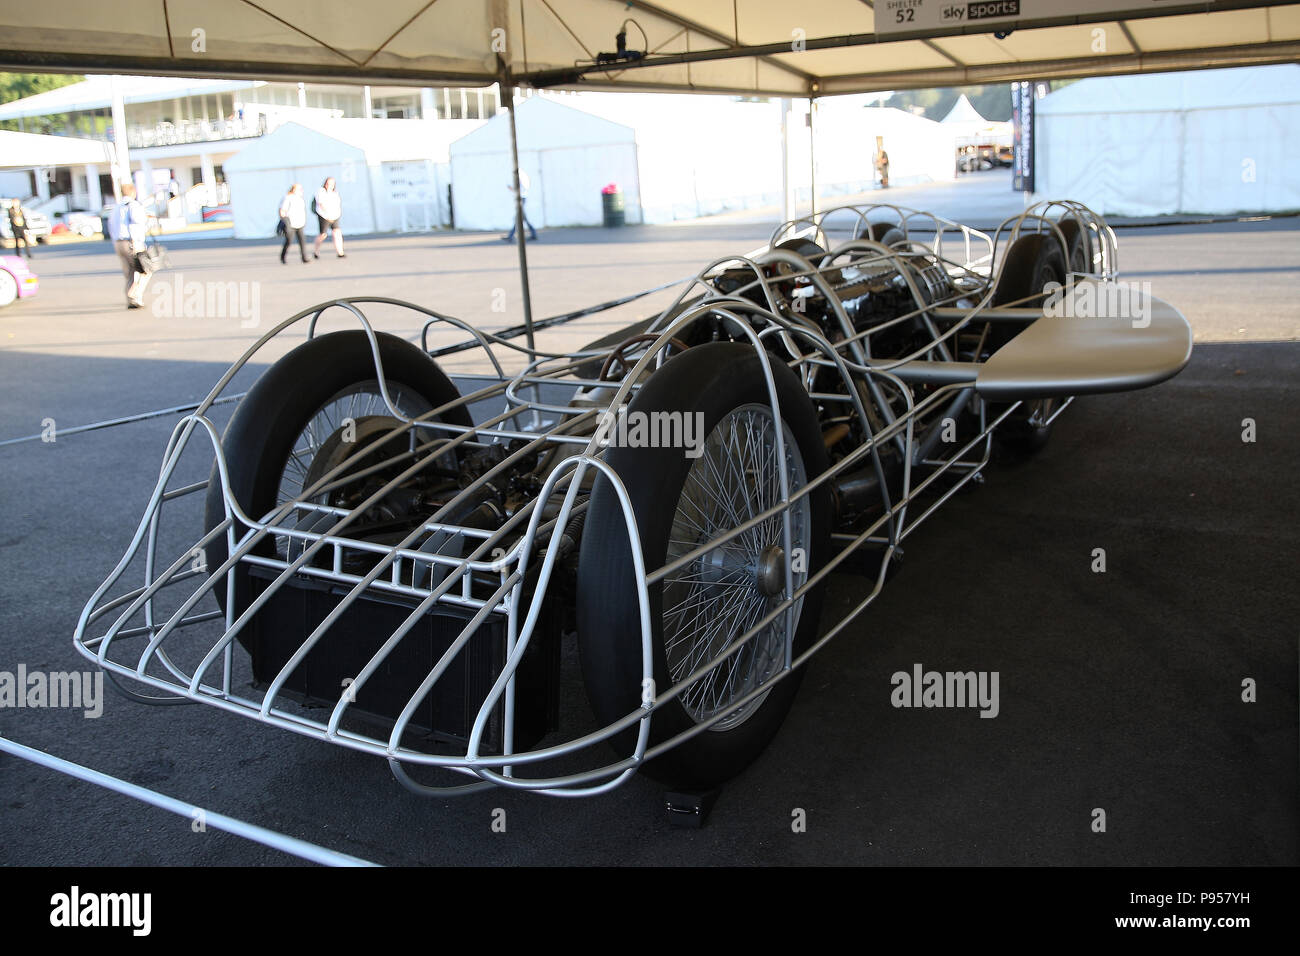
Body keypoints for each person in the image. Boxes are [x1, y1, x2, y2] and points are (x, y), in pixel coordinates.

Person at [106, 184, 153, 308]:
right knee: (144, 269)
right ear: (133, 192)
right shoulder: (133, 205)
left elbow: (110, 226)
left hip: (118, 242)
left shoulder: (116, 207)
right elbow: (138, 222)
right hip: (131, 242)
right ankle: (135, 295)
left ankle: (130, 298)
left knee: (129, 271)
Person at [312, 177, 345, 258]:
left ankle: (340, 252)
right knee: (323, 234)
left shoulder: (335, 193)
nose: (329, 185)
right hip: (324, 216)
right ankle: (316, 251)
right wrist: (328, 215)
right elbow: (321, 204)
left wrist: (336, 214)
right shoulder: (321, 192)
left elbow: (337, 205)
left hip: (335, 215)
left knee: (337, 232)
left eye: (331, 184)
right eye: (328, 183)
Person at [501, 170, 538, 242]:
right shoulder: (523, 178)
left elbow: (520, 190)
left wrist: (512, 189)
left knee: (519, 218)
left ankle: (511, 236)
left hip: (521, 199)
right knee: (521, 219)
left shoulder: (521, 179)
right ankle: (532, 234)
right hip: (521, 198)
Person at [278, 183, 309, 264]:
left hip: (299, 222)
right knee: (289, 240)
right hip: (290, 222)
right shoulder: (288, 197)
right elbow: (282, 210)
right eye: (299, 189)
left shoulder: (300, 199)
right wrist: (284, 220)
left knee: (302, 240)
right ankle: (283, 256)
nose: (301, 191)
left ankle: (304, 257)